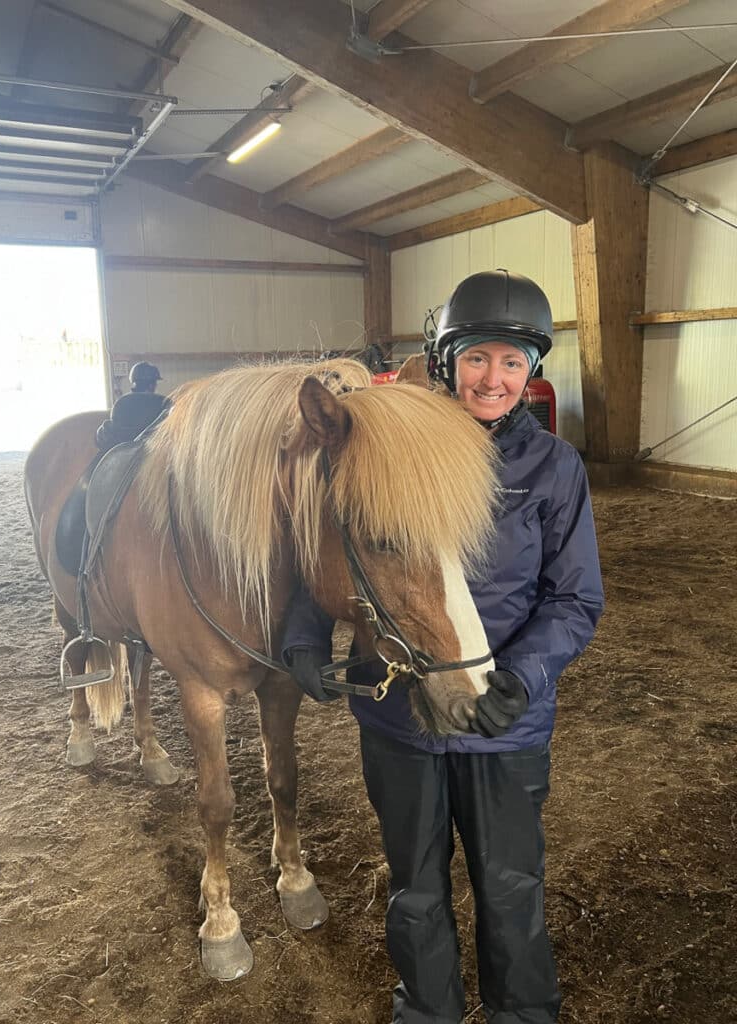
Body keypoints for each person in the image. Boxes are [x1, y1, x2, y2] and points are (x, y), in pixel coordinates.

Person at [281, 269, 605, 1024]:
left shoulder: (554, 470)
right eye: (478, 358)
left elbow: (575, 599)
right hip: (400, 721)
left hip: (503, 723)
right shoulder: (389, 446)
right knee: (415, 888)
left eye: (513, 361)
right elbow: (333, 551)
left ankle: (522, 1013)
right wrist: (303, 636)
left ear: (531, 373)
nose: (494, 378)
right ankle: (424, 1012)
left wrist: (520, 681)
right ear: (447, 357)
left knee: (512, 885)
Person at [95, 361, 169, 451]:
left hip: (122, 456)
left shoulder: (120, 404)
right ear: (151, 385)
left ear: (134, 381)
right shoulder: (162, 403)